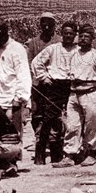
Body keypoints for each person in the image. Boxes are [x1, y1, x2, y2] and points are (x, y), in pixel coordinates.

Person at [54, 24, 96, 167]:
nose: (83, 39)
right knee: (72, 125)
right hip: (74, 94)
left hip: (90, 94)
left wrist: (92, 82)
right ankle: (70, 155)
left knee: (91, 125)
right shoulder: (73, 54)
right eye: (81, 36)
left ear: (92, 39)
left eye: (87, 37)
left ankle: (92, 153)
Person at [31, 21, 78, 165]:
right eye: (65, 33)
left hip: (72, 86)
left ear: (75, 35)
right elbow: (36, 62)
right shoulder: (53, 48)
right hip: (55, 86)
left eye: (71, 33)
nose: (68, 36)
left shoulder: (79, 50)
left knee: (72, 118)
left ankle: (63, 154)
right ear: (61, 34)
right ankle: (40, 155)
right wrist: (44, 77)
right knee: (48, 119)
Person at [0, 19, 32, 139]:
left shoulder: (17, 49)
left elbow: (24, 76)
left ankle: (16, 158)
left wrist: (18, 100)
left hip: (11, 103)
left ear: (4, 33)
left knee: (12, 138)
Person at [25, 12, 60, 151]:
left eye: (49, 24)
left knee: (55, 113)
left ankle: (54, 140)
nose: (46, 27)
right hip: (38, 85)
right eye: (43, 23)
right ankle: (40, 138)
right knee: (37, 113)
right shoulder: (33, 43)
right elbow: (29, 63)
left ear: (54, 25)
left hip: (55, 84)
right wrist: (37, 78)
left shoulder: (59, 41)